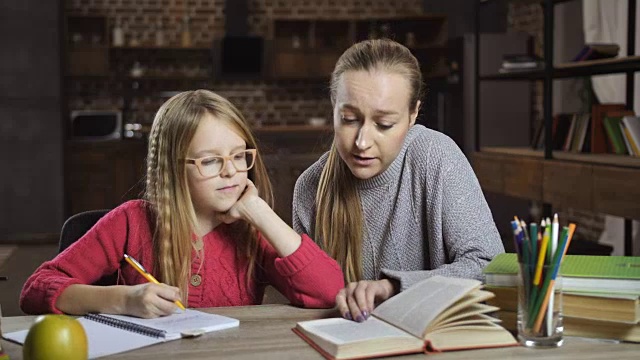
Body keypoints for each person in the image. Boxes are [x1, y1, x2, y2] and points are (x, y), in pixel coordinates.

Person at [21, 90, 344, 318]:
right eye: (211, 161)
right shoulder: (131, 222)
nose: (232, 170)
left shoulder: (251, 232)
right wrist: (122, 299)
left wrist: (260, 212)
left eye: (239, 155)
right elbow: (36, 289)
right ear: (173, 168)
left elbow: (328, 292)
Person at [292, 39, 504, 322]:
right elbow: (307, 297)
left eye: (384, 125)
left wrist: (394, 287)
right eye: (349, 119)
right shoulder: (309, 187)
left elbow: (490, 266)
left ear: (413, 114)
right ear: (334, 107)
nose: (363, 142)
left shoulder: (436, 156)